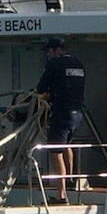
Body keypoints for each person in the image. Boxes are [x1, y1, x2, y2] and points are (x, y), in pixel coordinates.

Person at [36, 37, 85, 205]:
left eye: (49, 51)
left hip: (61, 113)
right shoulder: (78, 63)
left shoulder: (54, 64)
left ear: (57, 50)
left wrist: (47, 94)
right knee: (67, 145)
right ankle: (70, 181)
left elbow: (41, 87)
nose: (48, 54)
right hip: (77, 114)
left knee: (55, 152)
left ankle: (60, 195)